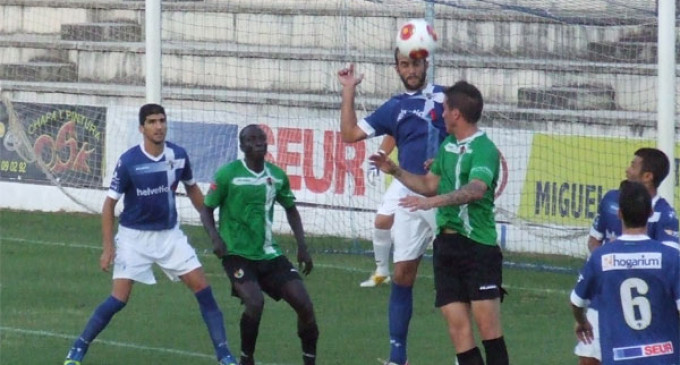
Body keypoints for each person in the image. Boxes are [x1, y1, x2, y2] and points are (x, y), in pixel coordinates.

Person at [63, 103, 237, 365]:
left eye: (162, 121)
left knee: (203, 288)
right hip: (134, 238)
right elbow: (109, 204)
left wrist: (212, 229)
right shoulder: (129, 161)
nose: (159, 126)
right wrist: (108, 247)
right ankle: (78, 348)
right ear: (141, 128)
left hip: (169, 236)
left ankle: (224, 355)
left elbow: (192, 190)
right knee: (119, 298)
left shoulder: (178, 155)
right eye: (153, 122)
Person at [370, 81, 509, 365]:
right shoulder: (447, 146)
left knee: (490, 334)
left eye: (444, 109)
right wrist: (395, 170)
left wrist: (433, 202)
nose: (440, 113)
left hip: (478, 249)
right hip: (446, 249)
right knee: (459, 334)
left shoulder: (485, 149)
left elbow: (476, 189)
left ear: (456, 114)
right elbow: (428, 184)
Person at [337, 43, 448, 363]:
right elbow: (349, 134)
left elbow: (466, 132)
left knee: (459, 277)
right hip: (410, 198)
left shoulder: (446, 97)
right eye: (404, 65)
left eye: (415, 64)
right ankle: (397, 356)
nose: (411, 71)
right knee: (402, 276)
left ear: (426, 63)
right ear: (397, 68)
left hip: (444, 198)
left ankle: (465, 355)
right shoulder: (395, 106)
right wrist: (348, 90)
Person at [200, 124, 319, 365]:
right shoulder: (227, 174)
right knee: (255, 302)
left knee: (305, 305)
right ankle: (247, 359)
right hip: (236, 254)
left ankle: (309, 361)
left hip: (269, 254)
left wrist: (302, 246)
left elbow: (291, 210)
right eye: (252, 139)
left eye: (262, 138)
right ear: (242, 146)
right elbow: (207, 208)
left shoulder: (276, 176)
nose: (258, 143)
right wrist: (215, 238)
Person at [575, 148, 679, 365]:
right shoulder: (611, 199)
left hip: (647, 305)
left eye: (633, 165)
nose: (627, 170)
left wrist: (620, 256)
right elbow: (594, 240)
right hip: (602, 296)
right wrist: (604, 261)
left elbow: (667, 260)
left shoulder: (666, 215)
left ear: (648, 176)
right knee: (588, 358)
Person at [362, 135, 396, 287]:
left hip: (431, 176)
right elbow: (393, 133)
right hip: (403, 178)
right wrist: (376, 160)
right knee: (382, 221)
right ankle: (382, 271)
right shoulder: (401, 113)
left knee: (439, 230)